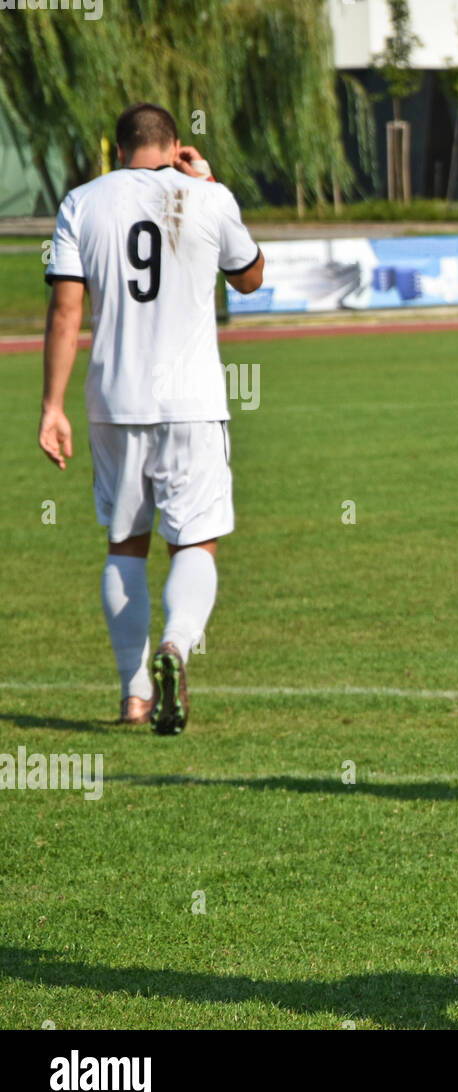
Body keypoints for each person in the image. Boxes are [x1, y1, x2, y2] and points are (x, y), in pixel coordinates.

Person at [40, 103, 264, 734]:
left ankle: (134, 694)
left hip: (114, 399)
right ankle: (177, 645)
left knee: (125, 543)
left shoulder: (82, 202)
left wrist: (52, 407)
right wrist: (210, 182)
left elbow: (64, 313)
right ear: (173, 146)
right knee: (194, 540)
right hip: (191, 401)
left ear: (117, 150)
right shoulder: (207, 197)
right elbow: (250, 279)